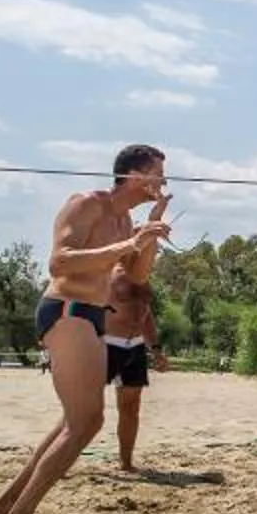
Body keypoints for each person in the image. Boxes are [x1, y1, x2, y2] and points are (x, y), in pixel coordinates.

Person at [0, 146, 172, 514]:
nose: (164, 181)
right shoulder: (87, 204)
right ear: (135, 175)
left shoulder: (123, 222)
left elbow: (136, 276)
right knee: (87, 422)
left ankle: (3, 508)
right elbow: (61, 261)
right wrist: (129, 244)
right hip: (66, 309)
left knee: (75, 421)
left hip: (91, 315)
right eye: (158, 172)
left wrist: (149, 231)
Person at [105, 196, 165, 474]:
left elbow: (145, 314)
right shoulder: (108, 272)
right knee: (85, 410)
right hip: (105, 344)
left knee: (131, 407)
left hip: (134, 347)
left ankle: (126, 461)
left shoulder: (141, 278)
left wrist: (156, 348)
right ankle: (61, 459)